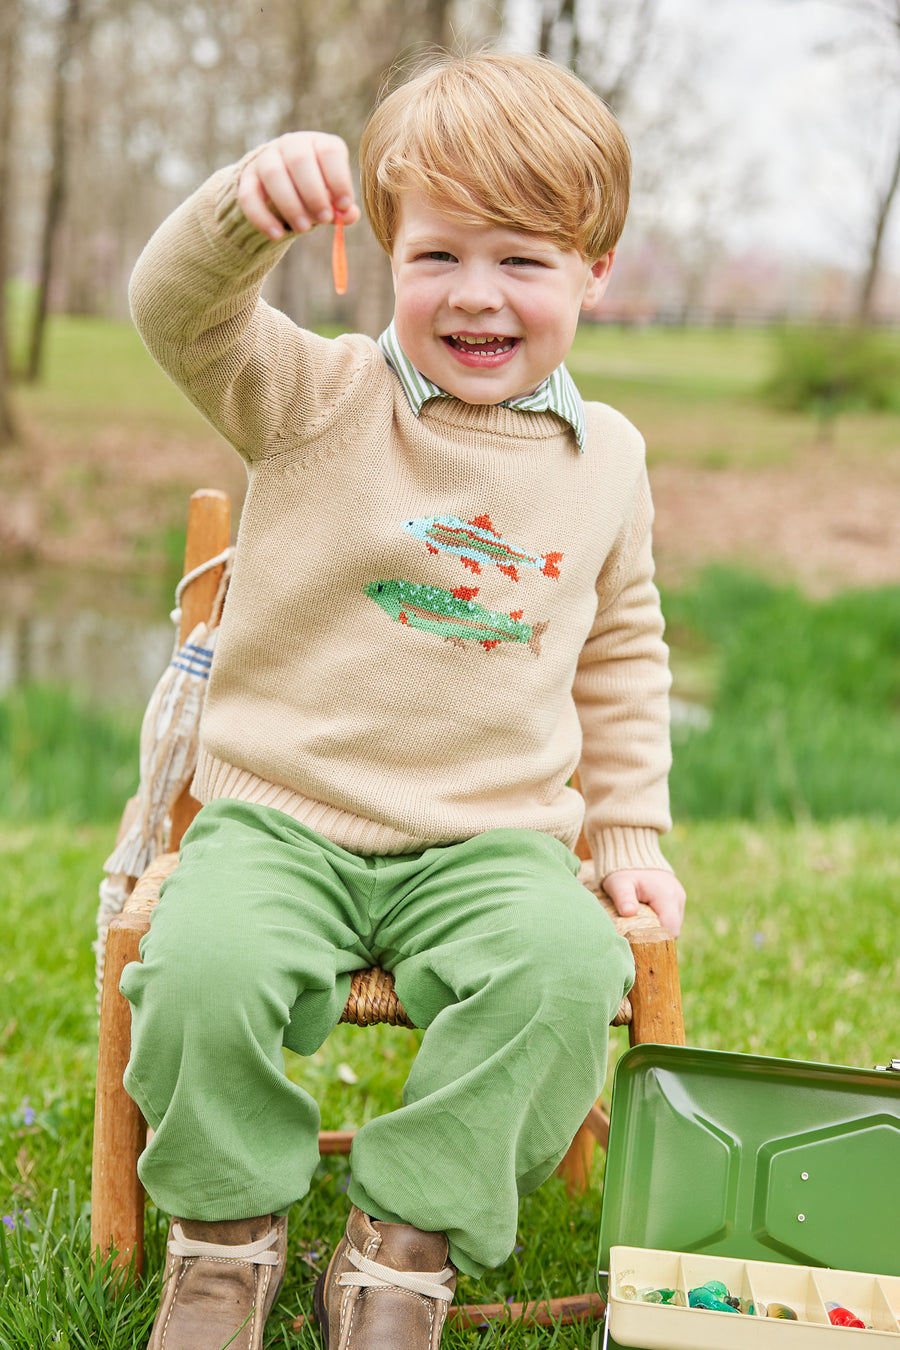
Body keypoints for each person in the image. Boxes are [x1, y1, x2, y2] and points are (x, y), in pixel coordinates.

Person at [120, 49, 686, 1350]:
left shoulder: (609, 459)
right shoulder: (318, 396)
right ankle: (226, 1229)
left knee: (564, 969)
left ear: (596, 270)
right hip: (284, 818)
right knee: (200, 969)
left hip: (495, 839)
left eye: (523, 260)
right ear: (384, 253)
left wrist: (627, 831)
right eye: (437, 256)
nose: (475, 294)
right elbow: (175, 313)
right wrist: (240, 210)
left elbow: (626, 647)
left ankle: (404, 1233)